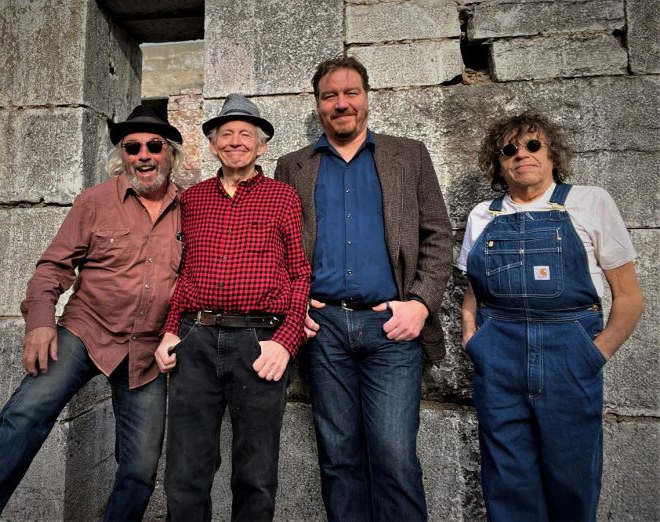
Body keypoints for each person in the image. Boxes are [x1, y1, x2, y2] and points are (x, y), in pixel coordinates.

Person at [0, 106, 185, 521]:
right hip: (85, 332)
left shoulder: (189, 208)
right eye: (131, 146)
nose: (143, 155)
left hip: (147, 350)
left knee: (139, 470)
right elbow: (52, 267)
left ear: (170, 153)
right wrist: (41, 322)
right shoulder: (95, 201)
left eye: (154, 146)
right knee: (23, 416)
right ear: (122, 155)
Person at [274, 55, 452, 521]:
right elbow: (277, 245)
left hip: (390, 327)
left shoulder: (407, 155)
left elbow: (438, 235)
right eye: (330, 95)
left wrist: (419, 305)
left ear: (367, 98)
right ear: (317, 104)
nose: (341, 103)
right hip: (324, 329)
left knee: (394, 457)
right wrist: (296, 305)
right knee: (338, 457)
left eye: (350, 92)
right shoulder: (292, 166)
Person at [457, 111, 645, 521]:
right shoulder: (482, 215)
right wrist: (473, 336)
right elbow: (473, 290)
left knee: (572, 481)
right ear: (498, 162)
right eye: (509, 149)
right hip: (499, 358)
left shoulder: (590, 202)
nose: (521, 154)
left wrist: (594, 354)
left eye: (532, 145)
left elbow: (629, 296)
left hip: (570, 357)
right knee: (507, 482)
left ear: (552, 154)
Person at [154, 93, 311, 521]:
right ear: (212, 144)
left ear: (262, 146)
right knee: (186, 470)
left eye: (246, 134)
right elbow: (182, 273)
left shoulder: (283, 197)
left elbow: (300, 274)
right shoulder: (193, 199)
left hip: (259, 344)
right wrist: (172, 329)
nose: (236, 141)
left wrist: (285, 341)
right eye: (227, 134)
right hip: (196, 340)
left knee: (255, 473)